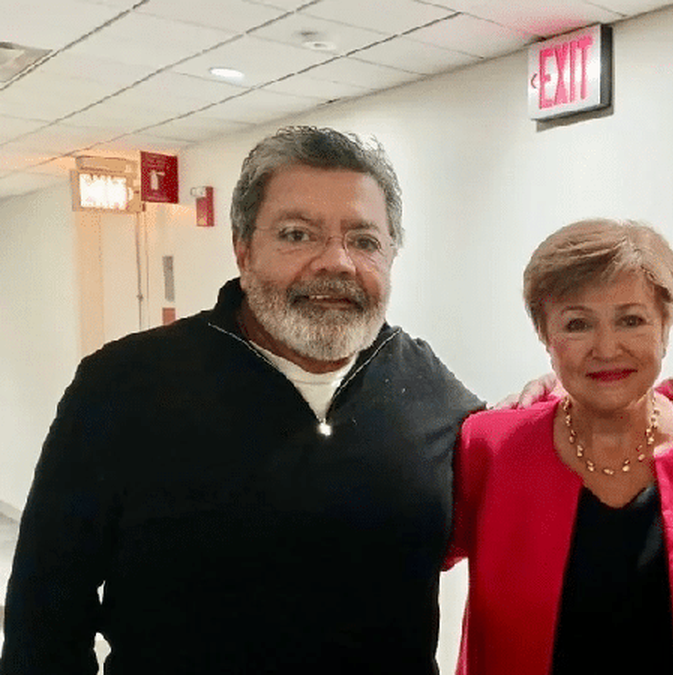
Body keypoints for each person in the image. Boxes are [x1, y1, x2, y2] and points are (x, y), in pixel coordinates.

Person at [0, 127, 482, 674]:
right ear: (243, 250)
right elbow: (45, 612)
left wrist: (552, 401)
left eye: (365, 240)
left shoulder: (432, 391)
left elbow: (517, 478)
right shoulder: (123, 387)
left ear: (392, 253)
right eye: (298, 235)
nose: (337, 262)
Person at [447, 219, 673, 675]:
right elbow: (397, 563)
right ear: (545, 335)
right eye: (577, 324)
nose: (606, 347)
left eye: (631, 320)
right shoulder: (489, 448)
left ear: (665, 326)